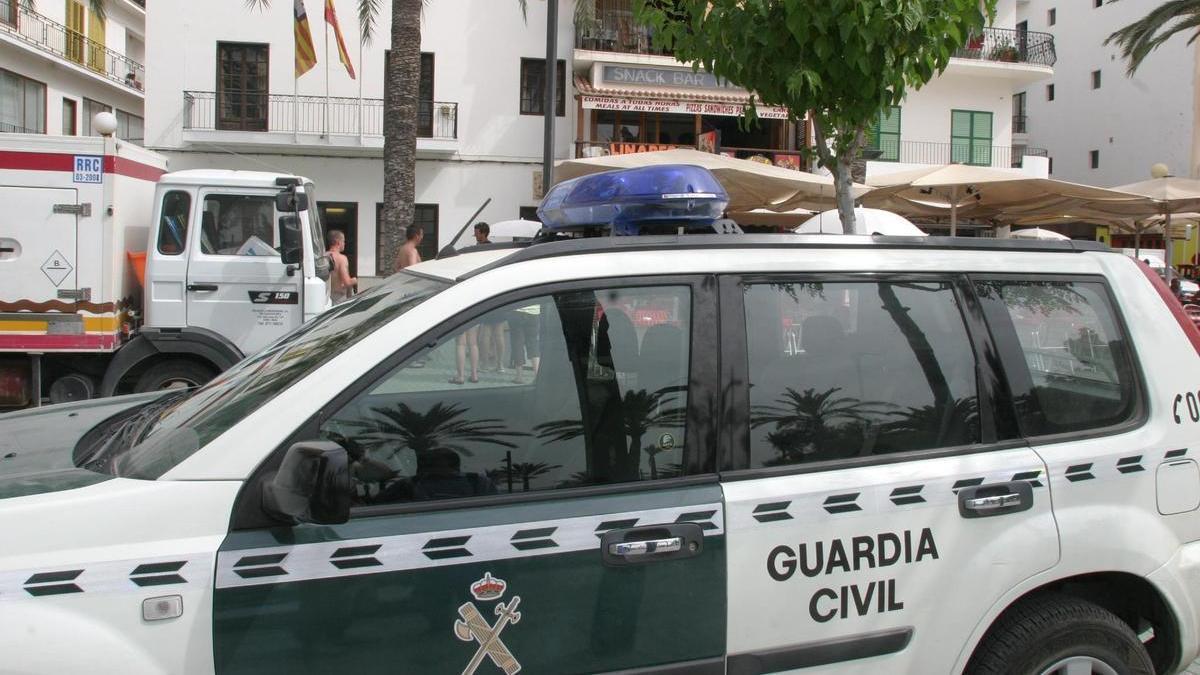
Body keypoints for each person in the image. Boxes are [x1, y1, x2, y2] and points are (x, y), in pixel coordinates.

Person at [326, 230, 356, 304]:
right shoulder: (342, 259)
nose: (344, 244)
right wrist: (355, 280)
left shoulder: (323, 256)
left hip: (324, 298)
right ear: (338, 242)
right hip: (338, 299)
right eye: (343, 241)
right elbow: (347, 282)